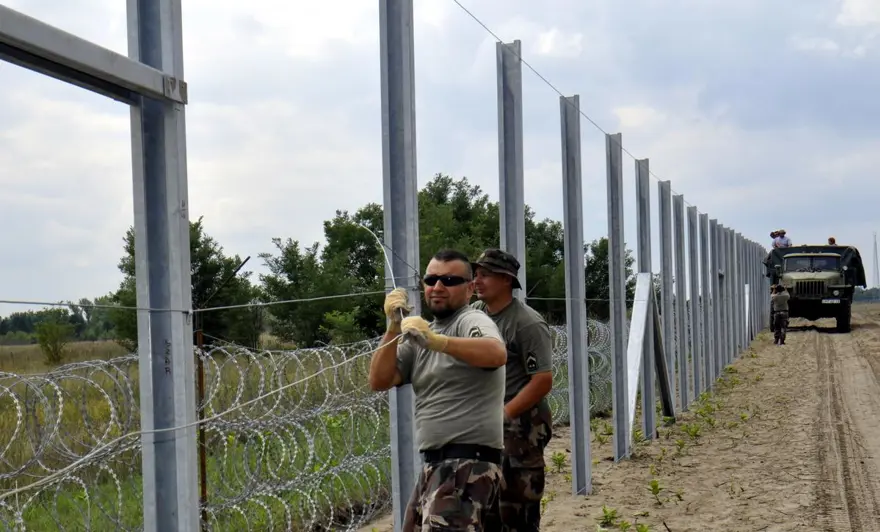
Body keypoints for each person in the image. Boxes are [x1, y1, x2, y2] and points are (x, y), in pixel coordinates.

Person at [368, 249, 508, 531]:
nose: (438, 287)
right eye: (431, 279)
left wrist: (438, 342)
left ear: (469, 289)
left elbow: (496, 353)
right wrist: (394, 328)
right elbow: (380, 380)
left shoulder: (470, 321)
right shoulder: (423, 333)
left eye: (450, 280)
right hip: (438, 466)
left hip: (465, 464)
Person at [470, 248, 554, 532]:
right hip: (485, 422)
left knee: (517, 509)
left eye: (486, 275)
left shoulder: (526, 323)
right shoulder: (476, 315)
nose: (477, 281)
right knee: (487, 506)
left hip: (520, 427)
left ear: (506, 280)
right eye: (476, 274)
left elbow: (542, 380)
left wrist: (504, 414)